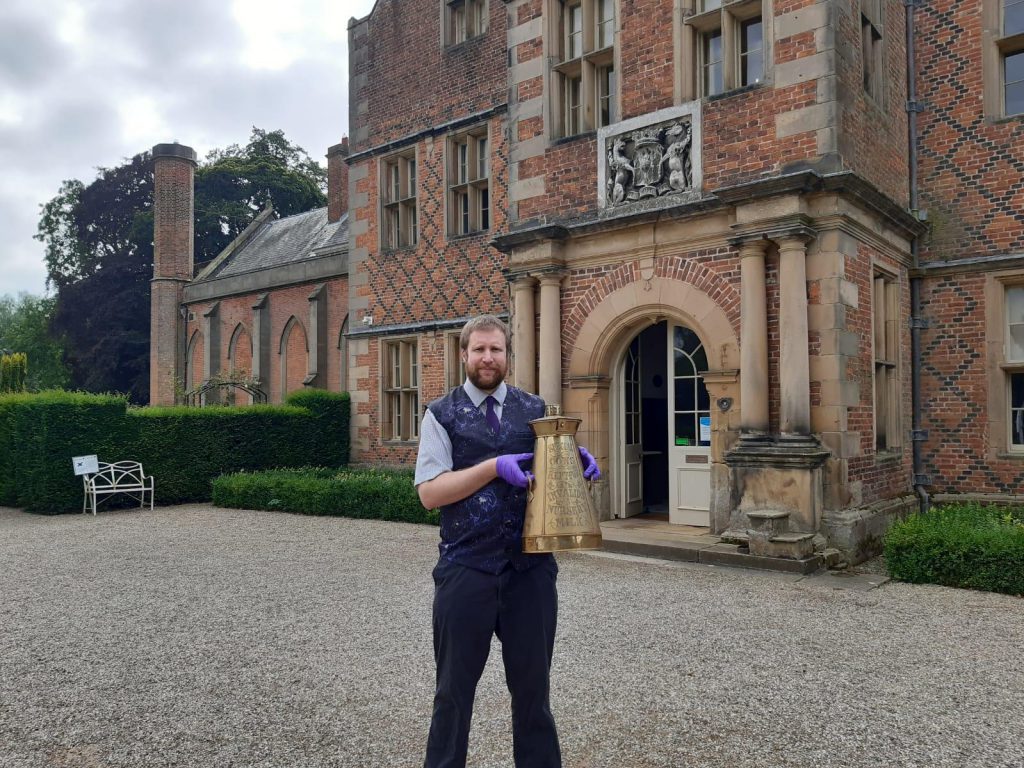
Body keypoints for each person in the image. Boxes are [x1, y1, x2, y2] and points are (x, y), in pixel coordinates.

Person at [415, 314, 600, 768]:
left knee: (534, 697)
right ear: (463, 355)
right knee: (452, 697)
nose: (487, 358)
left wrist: (573, 462)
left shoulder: (535, 409)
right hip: (465, 570)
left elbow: (553, 479)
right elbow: (429, 493)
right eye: (478, 349)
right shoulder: (440, 414)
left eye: (495, 349)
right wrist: (493, 468)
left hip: (530, 572)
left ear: (507, 355)